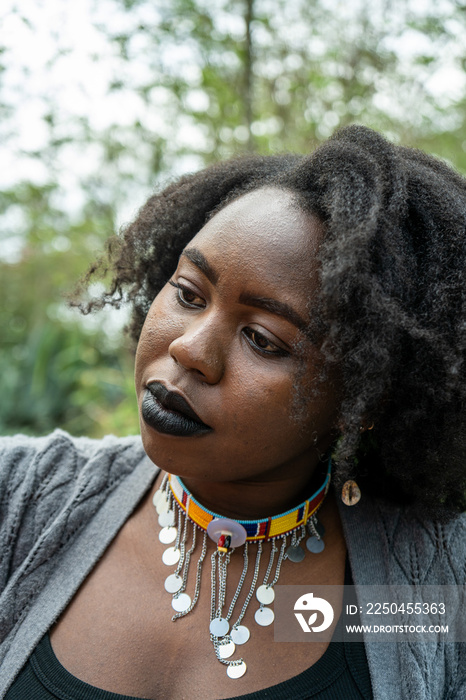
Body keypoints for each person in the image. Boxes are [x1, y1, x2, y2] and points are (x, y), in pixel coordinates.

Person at [1, 124, 465, 700]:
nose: (190, 349)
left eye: (264, 340)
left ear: (361, 402)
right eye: (189, 294)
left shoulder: (433, 588)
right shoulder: (17, 499)